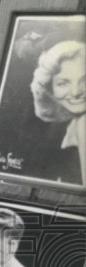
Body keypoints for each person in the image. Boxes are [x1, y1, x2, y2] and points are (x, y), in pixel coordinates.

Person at [31, 40, 86, 185]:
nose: (76, 92)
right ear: (50, 89)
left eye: (84, 80)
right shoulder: (65, 127)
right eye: (63, 83)